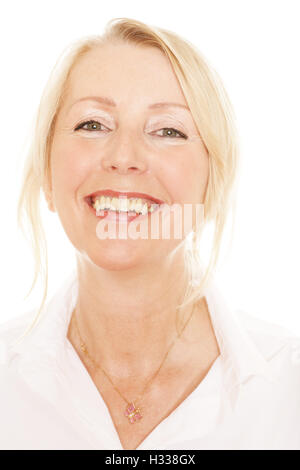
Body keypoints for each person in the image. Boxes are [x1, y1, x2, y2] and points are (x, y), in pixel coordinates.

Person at [0, 17, 299, 451]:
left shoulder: (287, 390)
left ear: (213, 184)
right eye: (93, 124)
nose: (124, 157)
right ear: (47, 172)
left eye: (167, 131)